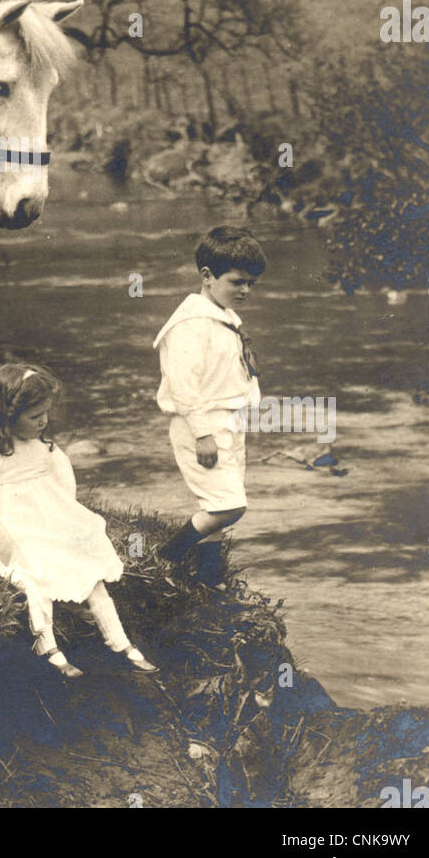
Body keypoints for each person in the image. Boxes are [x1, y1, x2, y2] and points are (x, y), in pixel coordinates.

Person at [0, 363, 157, 678]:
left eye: (46, 413)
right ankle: (48, 646)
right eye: (35, 416)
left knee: (90, 574)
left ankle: (121, 641)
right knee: (35, 578)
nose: (44, 421)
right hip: (13, 528)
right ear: (5, 415)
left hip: (47, 523)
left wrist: (65, 519)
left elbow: (63, 488)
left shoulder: (45, 449)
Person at [152, 225, 266, 589]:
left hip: (228, 422)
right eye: (237, 282)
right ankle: (167, 557)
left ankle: (208, 575)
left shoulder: (224, 316)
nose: (246, 290)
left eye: (252, 283)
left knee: (217, 499)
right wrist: (202, 434)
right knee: (227, 506)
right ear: (207, 276)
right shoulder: (190, 325)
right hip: (201, 425)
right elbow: (183, 386)